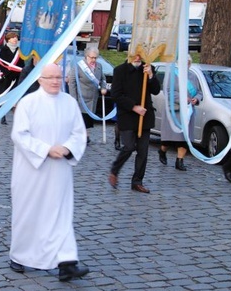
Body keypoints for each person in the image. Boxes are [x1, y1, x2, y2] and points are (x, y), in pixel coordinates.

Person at [8, 63, 89, 281]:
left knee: (61, 214)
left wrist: (67, 148)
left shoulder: (69, 103)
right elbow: (19, 135)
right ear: (40, 79)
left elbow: (78, 133)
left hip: (60, 170)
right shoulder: (28, 103)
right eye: (50, 77)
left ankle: (67, 262)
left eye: (58, 77)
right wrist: (45, 150)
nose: (55, 81)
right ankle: (21, 256)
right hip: (31, 171)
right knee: (29, 212)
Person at [108, 53, 161, 193]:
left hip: (145, 115)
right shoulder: (120, 70)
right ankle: (115, 170)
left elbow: (155, 90)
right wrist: (133, 107)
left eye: (140, 55)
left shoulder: (148, 68)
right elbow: (116, 95)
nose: (138, 58)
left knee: (143, 151)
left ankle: (137, 181)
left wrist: (150, 76)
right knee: (129, 146)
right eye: (135, 55)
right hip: (128, 115)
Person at [158, 57, 202, 171]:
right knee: (170, 139)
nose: (186, 65)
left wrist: (196, 99)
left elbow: (199, 92)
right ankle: (162, 150)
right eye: (184, 62)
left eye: (188, 63)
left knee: (184, 139)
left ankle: (179, 161)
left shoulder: (193, 76)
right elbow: (168, 91)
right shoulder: (171, 75)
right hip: (174, 110)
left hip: (188, 112)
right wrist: (183, 99)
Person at [67, 47, 106, 142]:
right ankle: (82, 136)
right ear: (86, 56)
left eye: (95, 58)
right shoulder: (78, 67)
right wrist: (74, 98)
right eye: (91, 57)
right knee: (82, 117)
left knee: (89, 118)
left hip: (93, 98)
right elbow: (72, 82)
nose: (93, 60)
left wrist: (103, 87)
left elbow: (103, 79)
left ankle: (86, 135)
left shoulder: (99, 66)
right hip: (82, 98)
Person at [0, 32, 24, 124]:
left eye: (16, 37)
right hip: (6, 77)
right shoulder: (4, 49)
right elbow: (1, 63)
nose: (15, 39)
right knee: (4, 97)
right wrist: (6, 72)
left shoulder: (19, 50)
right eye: (13, 37)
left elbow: (22, 63)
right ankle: (2, 116)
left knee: (15, 98)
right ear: (8, 39)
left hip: (16, 77)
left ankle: (17, 118)